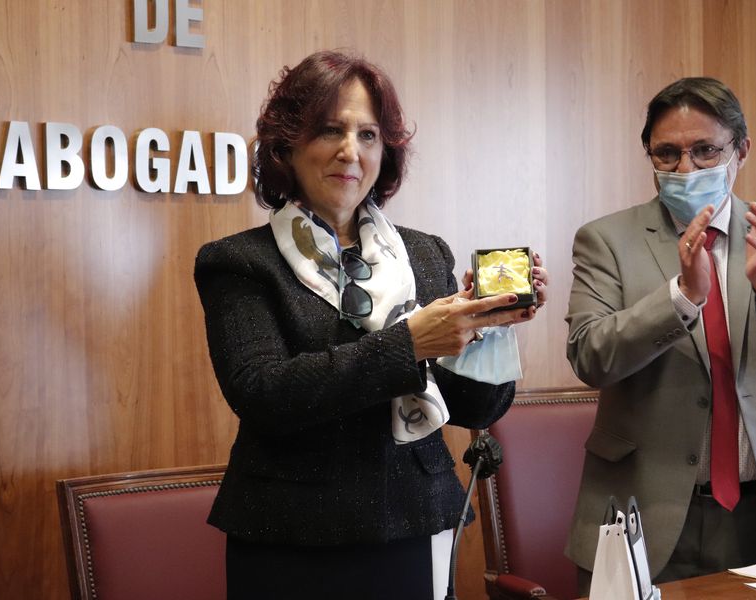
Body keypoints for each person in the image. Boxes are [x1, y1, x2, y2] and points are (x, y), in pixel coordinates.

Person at [194, 50, 548, 600]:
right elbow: (262, 393)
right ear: (287, 145)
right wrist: (409, 344)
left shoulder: (425, 254)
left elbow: (475, 410)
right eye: (329, 130)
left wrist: (487, 329)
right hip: (290, 534)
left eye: (368, 135)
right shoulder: (239, 261)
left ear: (387, 152)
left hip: (415, 519)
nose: (350, 151)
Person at [564, 77, 756, 592]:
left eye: (705, 151)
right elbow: (590, 356)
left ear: (741, 150)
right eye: (667, 154)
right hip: (646, 517)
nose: (685, 169)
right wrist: (680, 298)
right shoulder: (605, 240)